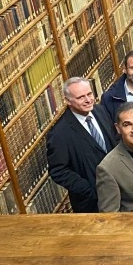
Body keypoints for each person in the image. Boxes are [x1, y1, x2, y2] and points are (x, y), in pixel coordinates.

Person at [46, 77, 116, 213]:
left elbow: (114, 139)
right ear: (67, 101)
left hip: (118, 189)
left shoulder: (100, 111)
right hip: (91, 203)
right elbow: (58, 171)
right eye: (80, 97)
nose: (88, 100)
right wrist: (86, 189)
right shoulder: (59, 134)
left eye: (89, 94)